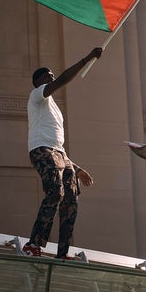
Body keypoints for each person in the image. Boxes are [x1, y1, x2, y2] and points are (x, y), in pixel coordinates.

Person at [22, 47, 103, 259]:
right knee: (55, 192)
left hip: (59, 154)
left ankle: (62, 253)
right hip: (41, 150)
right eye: (48, 75)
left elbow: (59, 148)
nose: (52, 76)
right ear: (39, 80)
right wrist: (87, 58)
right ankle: (34, 244)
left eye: (53, 75)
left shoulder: (54, 110)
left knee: (71, 202)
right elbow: (63, 80)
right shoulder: (37, 95)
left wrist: (77, 169)